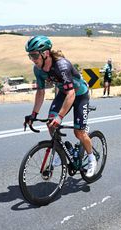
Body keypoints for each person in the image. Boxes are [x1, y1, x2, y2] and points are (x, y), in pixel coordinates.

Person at [23, 35, 97, 177]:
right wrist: (33, 115)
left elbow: (72, 94)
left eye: (34, 55)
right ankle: (62, 151)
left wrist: (60, 116)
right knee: (51, 124)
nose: (32, 59)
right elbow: (40, 92)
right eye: (30, 56)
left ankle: (92, 158)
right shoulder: (38, 69)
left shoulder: (62, 66)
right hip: (64, 93)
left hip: (79, 95)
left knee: (79, 133)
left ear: (45, 53)